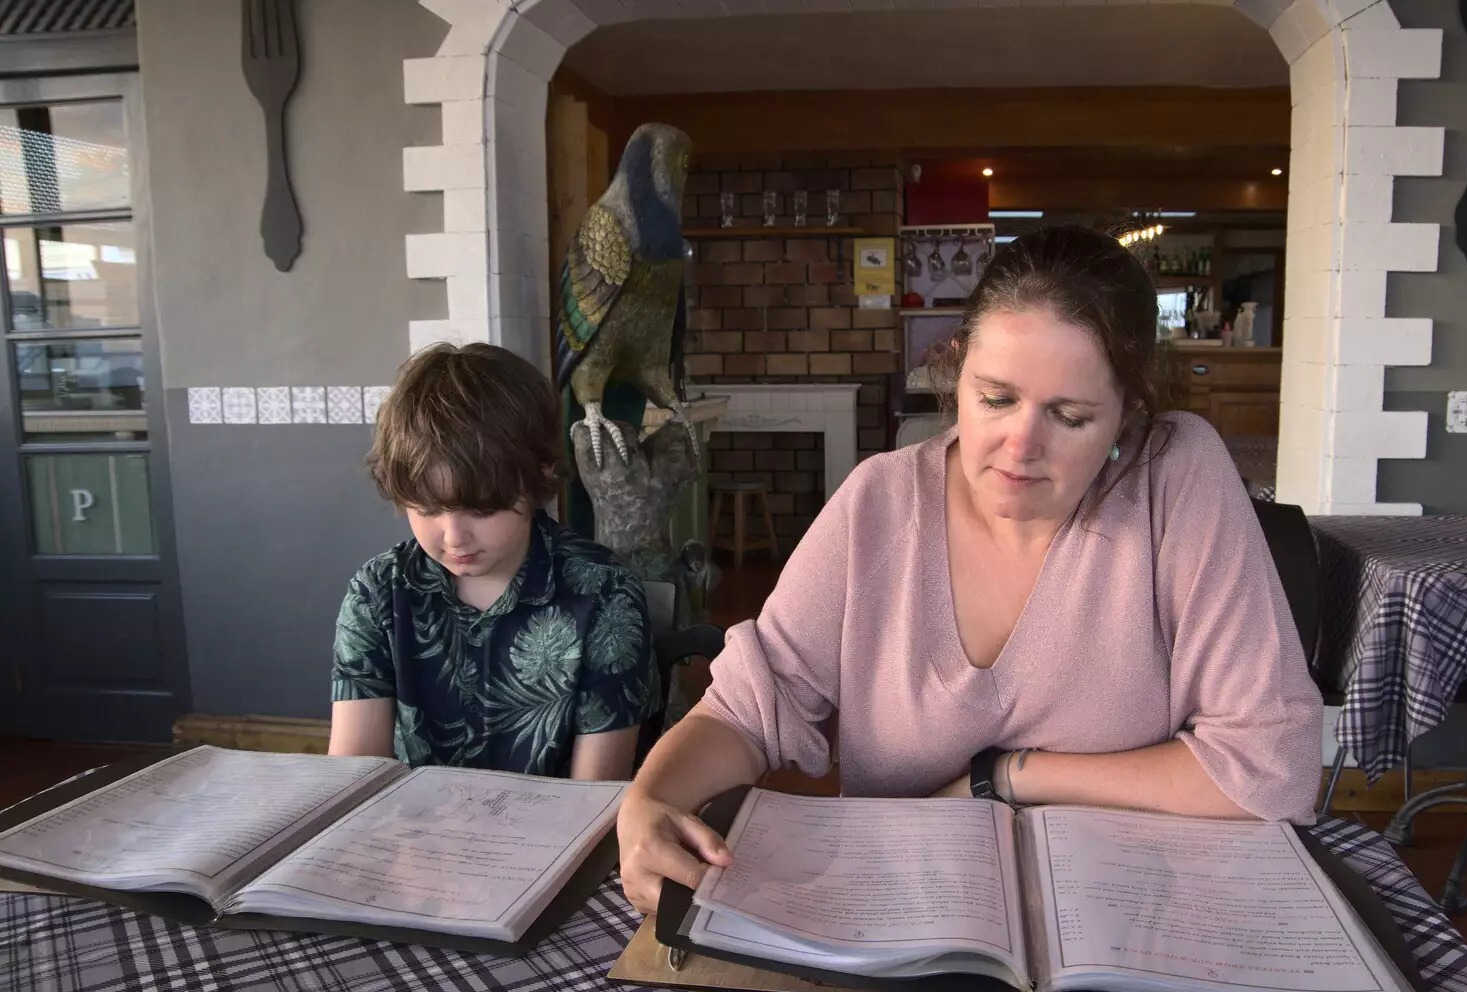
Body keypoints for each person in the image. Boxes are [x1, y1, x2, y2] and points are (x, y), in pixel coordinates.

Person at [617, 224, 1322, 914]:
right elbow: (745, 712)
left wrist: (1006, 778)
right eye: (996, 399)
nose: (1021, 446)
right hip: (906, 919)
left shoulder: (1173, 476)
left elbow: (1271, 771)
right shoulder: (879, 503)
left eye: (1070, 416)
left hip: (1135, 916)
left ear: (1127, 415)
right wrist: (650, 801)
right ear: (956, 375)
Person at [327, 342, 655, 781]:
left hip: (555, 836)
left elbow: (595, 795)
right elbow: (353, 777)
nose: (453, 536)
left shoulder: (602, 594)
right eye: (426, 509)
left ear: (539, 475)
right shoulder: (379, 592)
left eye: (482, 509)